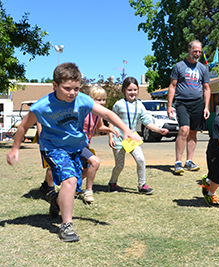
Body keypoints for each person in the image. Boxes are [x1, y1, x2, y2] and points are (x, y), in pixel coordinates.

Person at [7, 62, 140, 242]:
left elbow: (107, 114)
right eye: (67, 88)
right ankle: (66, 226)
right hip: (53, 148)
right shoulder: (42, 105)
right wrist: (15, 148)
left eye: (76, 88)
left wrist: (126, 130)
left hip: (76, 148)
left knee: (73, 185)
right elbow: (23, 125)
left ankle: (55, 201)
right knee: (70, 180)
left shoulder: (82, 100)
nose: (72, 93)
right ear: (55, 86)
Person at [39, 85, 119, 204]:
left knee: (87, 168)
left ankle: (70, 189)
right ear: (89, 100)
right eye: (98, 99)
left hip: (84, 146)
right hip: (72, 145)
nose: (102, 102)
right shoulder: (83, 112)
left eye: (103, 99)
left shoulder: (98, 114)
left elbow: (100, 126)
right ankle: (87, 191)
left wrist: (110, 130)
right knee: (93, 162)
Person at [108, 77, 169, 194]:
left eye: (135, 90)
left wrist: (159, 130)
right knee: (119, 166)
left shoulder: (140, 105)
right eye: (129, 90)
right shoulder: (118, 104)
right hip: (118, 138)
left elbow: (147, 122)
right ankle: (112, 183)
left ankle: (142, 185)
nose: (132, 92)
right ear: (124, 90)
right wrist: (110, 136)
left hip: (132, 139)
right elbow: (111, 120)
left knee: (140, 160)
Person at [167, 40, 211, 174]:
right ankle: (178, 162)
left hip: (198, 103)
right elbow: (172, 86)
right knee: (184, 130)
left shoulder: (203, 68)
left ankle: (189, 161)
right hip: (182, 102)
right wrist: (169, 105)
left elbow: (206, 88)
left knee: (193, 132)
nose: (197, 54)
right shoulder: (179, 66)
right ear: (189, 51)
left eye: (199, 51)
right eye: (194, 51)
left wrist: (206, 107)